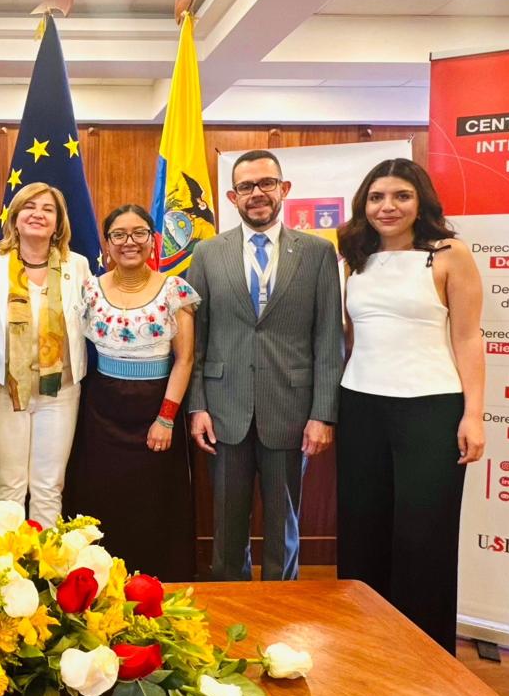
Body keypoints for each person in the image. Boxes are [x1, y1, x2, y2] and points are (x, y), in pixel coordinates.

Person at [334, 158, 485, 654]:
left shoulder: (449, 255)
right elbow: (352, 336)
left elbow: (469, 337)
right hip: (361, 405)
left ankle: (425, 654)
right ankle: (366, 642)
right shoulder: (355, 258)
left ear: (421, 202)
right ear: (364, 204)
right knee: (363, 529)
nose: (388, 206)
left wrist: (473, 414)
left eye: (401, 195)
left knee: (424, 535)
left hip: (431, 408)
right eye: (377, 197)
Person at [188, 149, 343, 582]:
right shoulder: (207, 253)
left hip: (291, 411)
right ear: (232, 196)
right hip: (223, 411)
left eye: (266, 183)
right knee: (226, 523)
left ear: (284, 189)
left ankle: (282, 609)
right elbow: (196, 338)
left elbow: (328, 338)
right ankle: (229, 608)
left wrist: (322, 414)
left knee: (283, 524)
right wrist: (197, 406)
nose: (257, 193)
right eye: (246, 186)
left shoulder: (317, 253)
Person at [68, 204, 199, 580]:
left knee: (153, 503)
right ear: (107, 244)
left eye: (139, 233)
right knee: (103, 499)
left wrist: (166, 418)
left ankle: (156, 586)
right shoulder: (89, 289)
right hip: (101, 412)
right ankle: (103, 587)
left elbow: (185, 359)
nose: (130, 242)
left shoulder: (175, 290)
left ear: (152, 241)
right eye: (119, 234)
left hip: (155, 411)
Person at [0, 181, 90, 529]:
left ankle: (45, 562)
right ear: (14, 217)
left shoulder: (78, 266)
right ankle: (5, 561)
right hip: (4, 391)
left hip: (60, 391)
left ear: (58, 223)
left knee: (48, 487)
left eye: (47, 209)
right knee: (7, 488)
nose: (38, 214)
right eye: (29, 206)